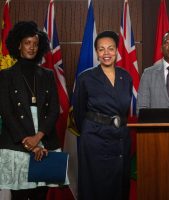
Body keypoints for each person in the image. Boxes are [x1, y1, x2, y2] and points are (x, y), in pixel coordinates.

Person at [0, 21, 61, 200]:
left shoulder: (48, 75)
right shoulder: (5, 76)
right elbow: (6, 112)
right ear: (18, 45)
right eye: (27, 43)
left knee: (41, 194)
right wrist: (28, 142)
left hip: (44, 138)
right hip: (16, 141)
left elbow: (54, 110)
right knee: (19, 195)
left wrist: (38, 138)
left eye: (35, 44)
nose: (32, 47)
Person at [73, 31, 132, 200]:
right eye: (101, 49)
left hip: (120, 138)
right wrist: (92, 130)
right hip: (94, 139)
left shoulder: (126, 77)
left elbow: (124, 110)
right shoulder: (86, 77)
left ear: (117, 51)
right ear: (97, 53)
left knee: (119, 187)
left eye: (111, 48)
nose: (106, 53)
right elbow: (78, 112)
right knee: (95, 187)